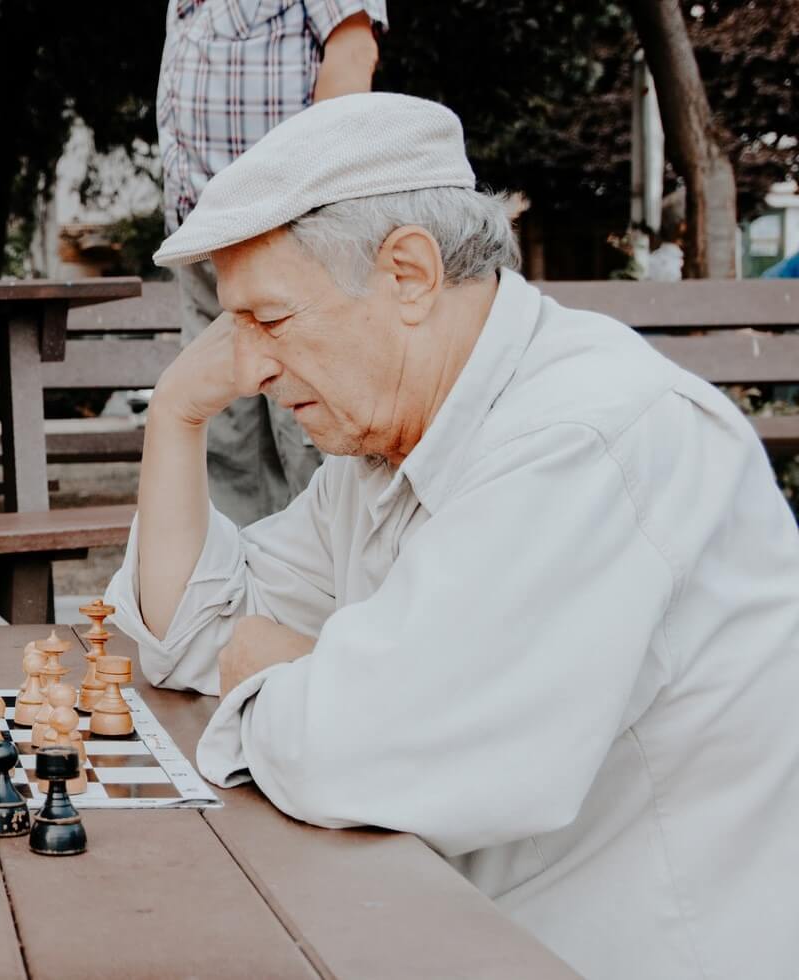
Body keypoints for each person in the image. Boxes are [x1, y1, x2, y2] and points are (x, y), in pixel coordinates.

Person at [105, 93, 799, 979]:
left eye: (270, 320)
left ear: (409, 275)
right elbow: (189, 636)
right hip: (452, 922)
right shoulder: (389, 447)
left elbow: (357, 756)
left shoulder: (585, 439)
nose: (252, 367)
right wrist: (175, 414)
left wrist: (290, 671)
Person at [155, 0, 385, 526]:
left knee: (311, 428)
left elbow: (351, 52)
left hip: (289, 230)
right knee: (224, 432)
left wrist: (313, 202)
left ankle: (333, 594)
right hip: (205, 239)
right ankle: (239, 594)